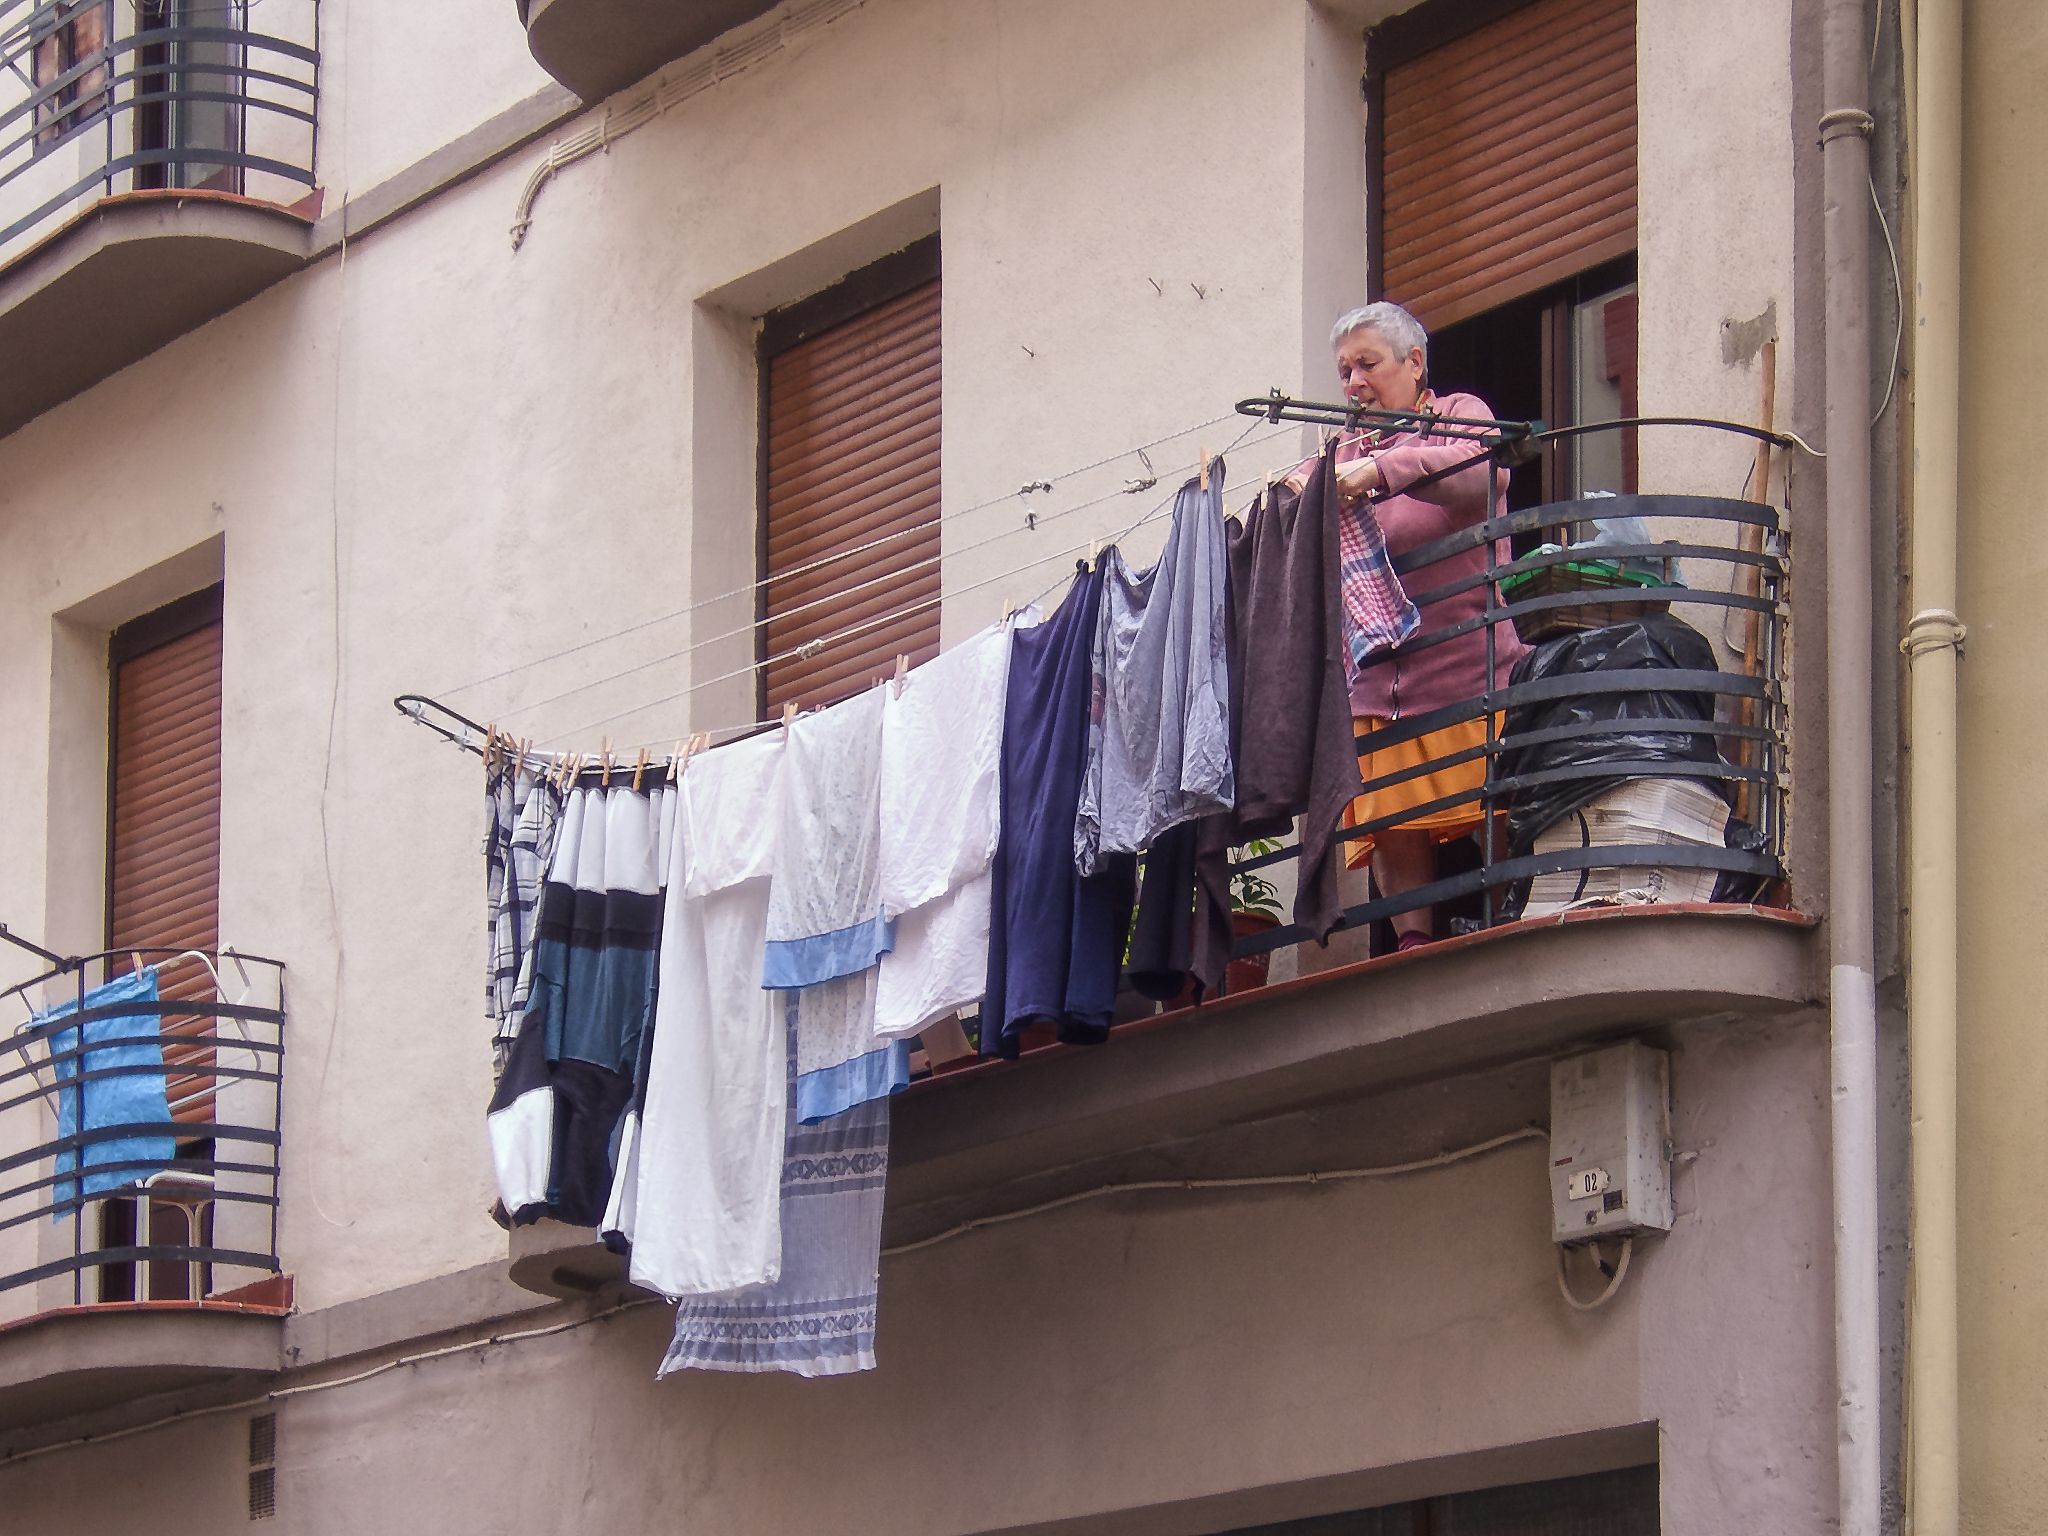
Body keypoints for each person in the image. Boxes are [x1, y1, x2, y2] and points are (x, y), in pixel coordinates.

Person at [1285, 301, 1529, 950]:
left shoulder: (1456, 415)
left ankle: (1513, 927)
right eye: (1344, 371)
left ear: (1414, 362)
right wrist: (1290, 496)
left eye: (1367, 364)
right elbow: (1293, 506)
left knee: (1496, 801)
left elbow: (1485, 471)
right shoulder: (1341, 451)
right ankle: (1413, 945)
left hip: (1468, 667)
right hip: (1377, 682)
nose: (1354, 383)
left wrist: (1383, 472)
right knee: (1393, 816)